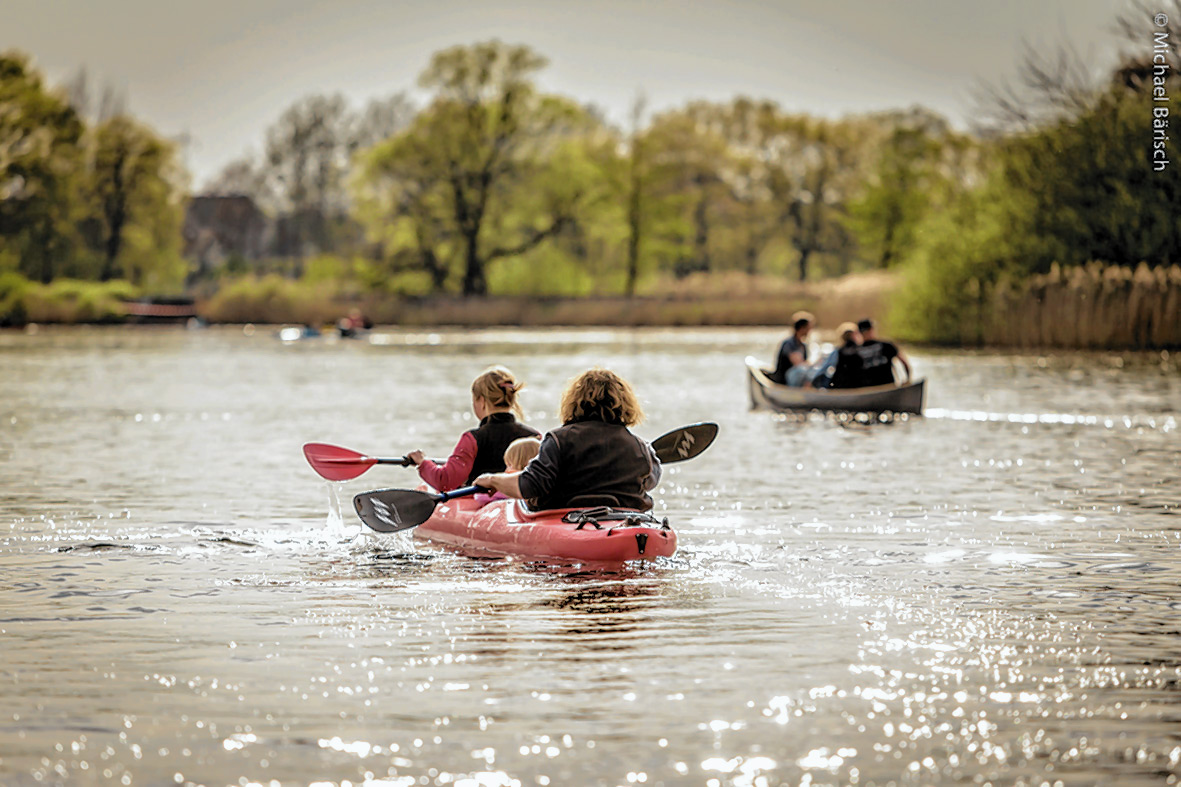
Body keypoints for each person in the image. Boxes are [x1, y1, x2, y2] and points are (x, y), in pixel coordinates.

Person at [474, 368, 661, 511]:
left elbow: (529, 485)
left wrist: (492, 480)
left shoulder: (557, 440)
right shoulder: (640, 446)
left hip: (568, 520)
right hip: (625, 521)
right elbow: (651, 481)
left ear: (573, 402)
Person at [407, 366, 540, 492]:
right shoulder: (535, 437)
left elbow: (445, 481)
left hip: (480, 505)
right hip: (520, 508)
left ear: (481, 401)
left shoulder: (473, 439)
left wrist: (422, 462)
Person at [474, 436, 542, 506]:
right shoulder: (542, 482)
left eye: (509, 465)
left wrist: (496, 484)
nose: (506, 470)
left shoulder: (511, 485)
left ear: (523, 464)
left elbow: (480, 497)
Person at [856, 318, 911, 387]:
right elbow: (904, 363)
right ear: (872, 330)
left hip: (868, 390)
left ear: (859, 333)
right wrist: (907, 380)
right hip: (888, 387)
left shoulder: (855, 351)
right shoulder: (887, 345)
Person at [770, 311, 819, 387]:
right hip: (785, 380)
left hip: (796, 379)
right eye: (809, 328)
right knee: (801, 370)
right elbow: (798, 363)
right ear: (802, 328)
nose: (810, 331)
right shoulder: (789, 343)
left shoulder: (803, 345)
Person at [828, 322, 867, 389]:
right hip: (858, 384)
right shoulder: (860, 349)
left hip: (843, 384)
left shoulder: (839, 350)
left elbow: (837, 368)